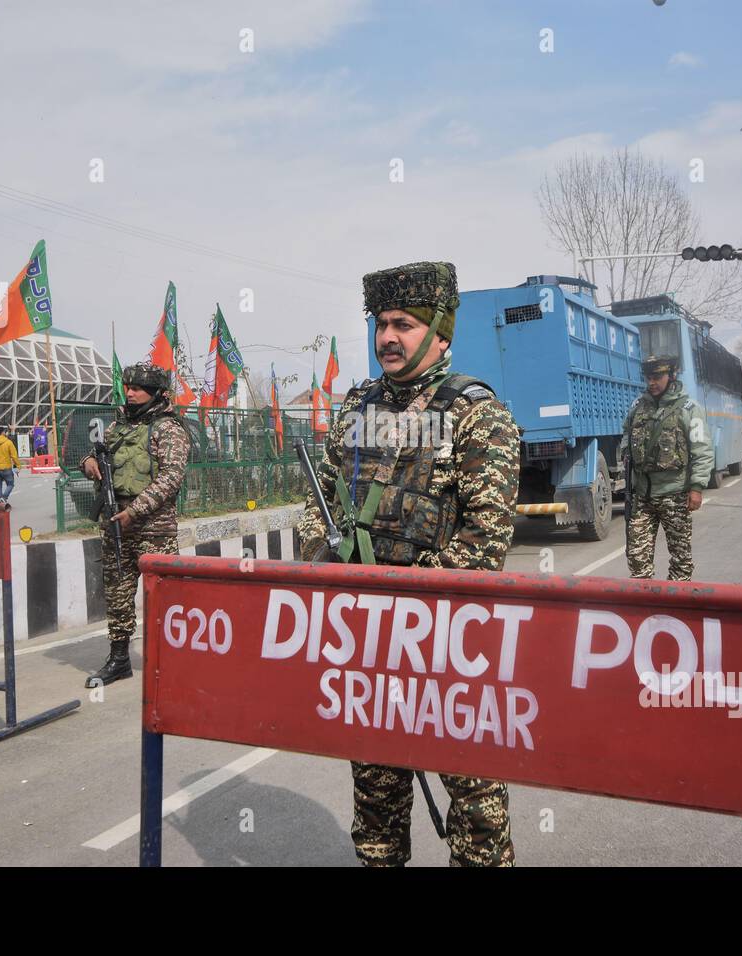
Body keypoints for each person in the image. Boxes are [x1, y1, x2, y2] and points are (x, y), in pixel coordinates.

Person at [297, 260, 521, 868]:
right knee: (376, 807)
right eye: (380, 323)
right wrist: (326, 562)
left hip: (450, 648)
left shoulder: (477, 414)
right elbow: (316, 510)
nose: (386, 337)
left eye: (404, 324)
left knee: (475, 811)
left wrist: (408, 608)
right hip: (368, 646)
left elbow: (484, 543)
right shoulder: (355, 410)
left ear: (441, 333)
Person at [78, 363, 189, 688]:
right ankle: (119, 658)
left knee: (164, 598)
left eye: (138, 388)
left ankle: (171, 661)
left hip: (155, 530)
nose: (130, 392)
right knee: (117, 593)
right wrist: (88, 463)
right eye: (128, 386)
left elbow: (171, 478)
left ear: (156, 393)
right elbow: (96, 454)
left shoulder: (169, 429)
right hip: (115, 524)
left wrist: (136, 511)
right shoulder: (117, 426)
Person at [621, 355, 713, 581]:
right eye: (648, 377)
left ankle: (676, 609)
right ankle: (645, 608)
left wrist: (697, 487)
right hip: (642, 496)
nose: (651, 382)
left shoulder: (689, 409)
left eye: (657, 377)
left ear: (671, 376)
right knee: (637, 559)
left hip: (675, 494)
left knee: (681, 560)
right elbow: (626, 438)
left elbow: (702, 450)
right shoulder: (637, 407)